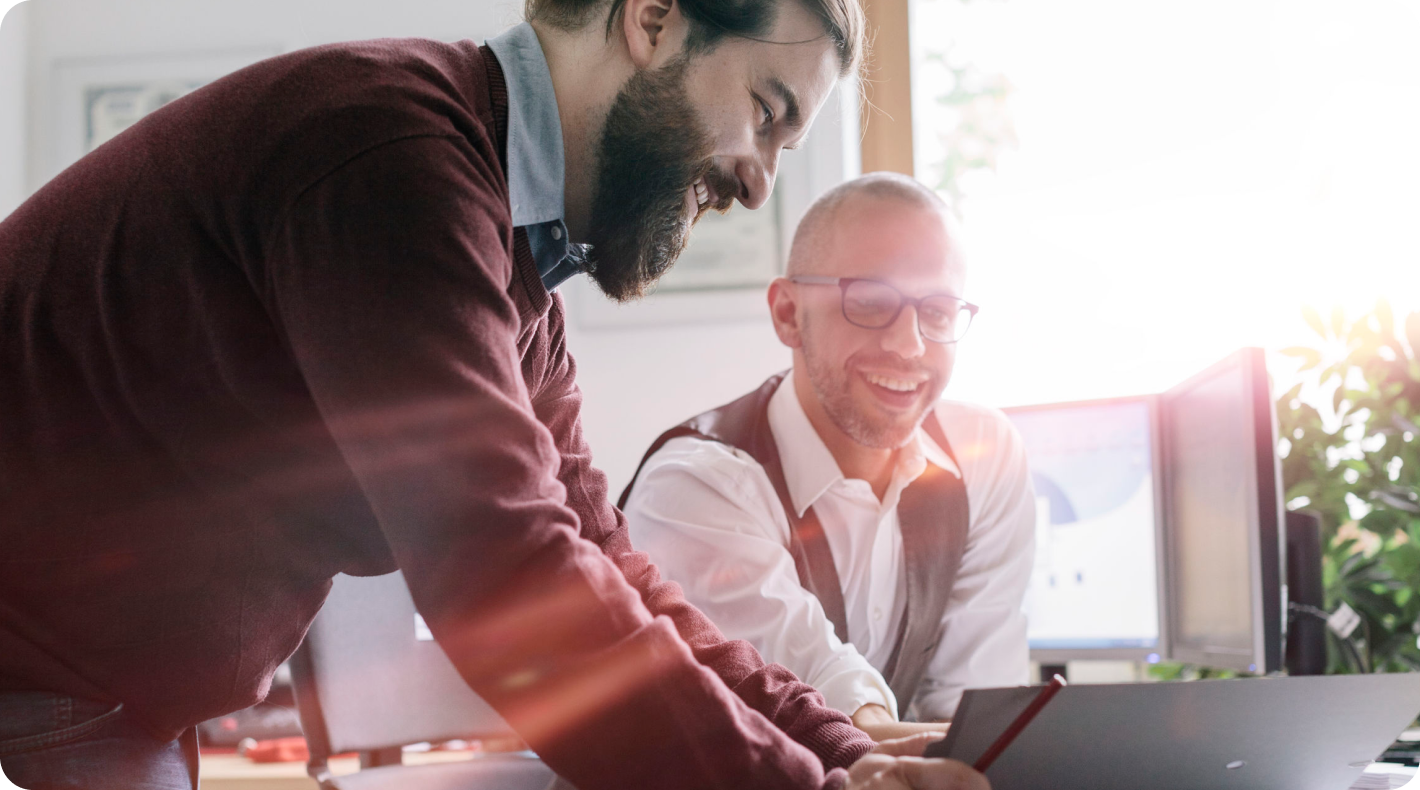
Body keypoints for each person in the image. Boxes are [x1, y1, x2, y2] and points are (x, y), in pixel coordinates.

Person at [0, 0, 994, 787]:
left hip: (105, 701)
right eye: (767, 116)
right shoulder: (390, 161)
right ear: (651, 19)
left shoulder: (515, 274)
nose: (758, 183)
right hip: (37, 686)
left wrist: (839, 749)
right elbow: (502, 571)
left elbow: (603, 561)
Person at [621, 173, 1036, 744]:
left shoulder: (983, 457)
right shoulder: (694, 485)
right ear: (789, 314)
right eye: (869, 302)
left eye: (937, 311)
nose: (909, 345)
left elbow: (976, 712)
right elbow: (812, 699)